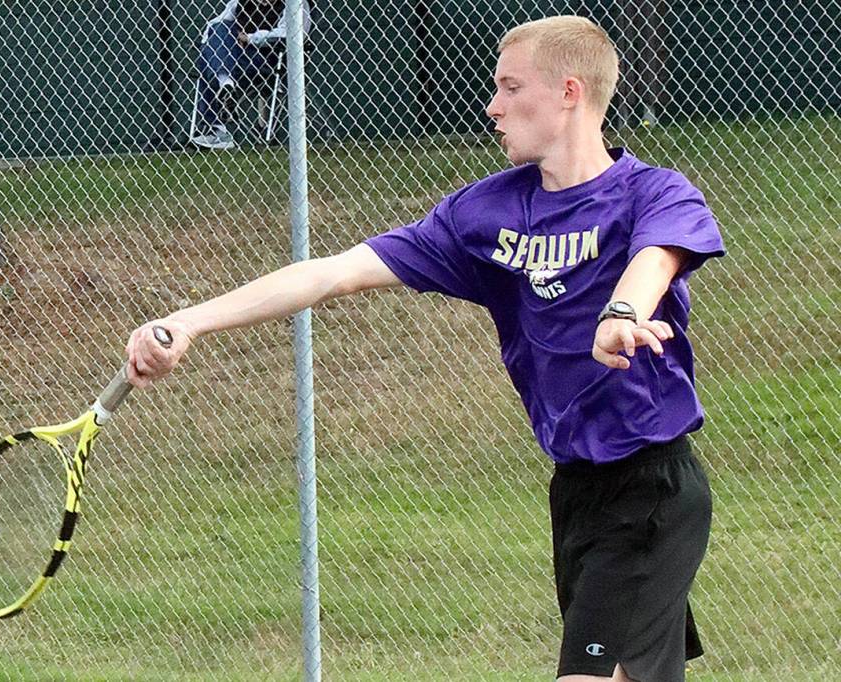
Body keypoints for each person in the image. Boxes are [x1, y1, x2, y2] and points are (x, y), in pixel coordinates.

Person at [129, 15, 724, 681]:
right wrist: (191, 320)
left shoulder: (653, 193)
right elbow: (333, 272)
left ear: (568, 92)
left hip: (650, 487)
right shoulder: (485, 215)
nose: (492, 106)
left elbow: (657, 256)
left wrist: (621, 313)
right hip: (578, 493)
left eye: (509, 86)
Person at [190, 0, 312, 150]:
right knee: (217, 32)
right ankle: (225, 86)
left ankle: (218, 127)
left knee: (208, 59)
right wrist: (214, 44)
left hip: (267, 61)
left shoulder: (294, 3)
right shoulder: (240, 3)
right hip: (234, 58)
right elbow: (214, 24)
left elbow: (291, 34)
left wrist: (250, 38)